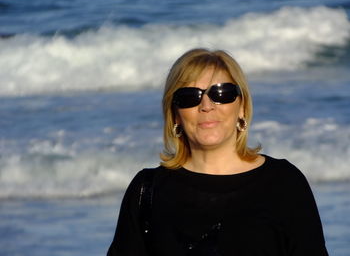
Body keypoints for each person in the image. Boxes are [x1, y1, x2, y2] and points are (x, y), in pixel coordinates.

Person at [107, 48, 328, 256]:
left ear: (242, 107)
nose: (206, 105)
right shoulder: (147, 191)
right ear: (174, 114)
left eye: (222, 93)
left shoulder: (284, 183)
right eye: (189, 97)